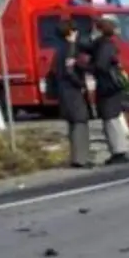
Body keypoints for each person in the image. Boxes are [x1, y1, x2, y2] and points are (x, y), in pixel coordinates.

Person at [86, 17, 129, 165]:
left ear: (100, 30)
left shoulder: (104, 46)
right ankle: (120, 149)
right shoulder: (106, 44)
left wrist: (86, 66)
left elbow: (100, 66)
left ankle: (119, 151)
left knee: (110, 119)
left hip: (108, 87)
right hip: (112, 86)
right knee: (113, 118)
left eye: (95, 29)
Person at [49, 19, 93, 168]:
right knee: (80, 122)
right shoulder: (70, 48)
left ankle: (77, 157)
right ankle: (81, 159)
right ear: (71, 33)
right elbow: (70, 70)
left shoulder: (58, 49)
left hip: (63, 90)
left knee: (73, 123)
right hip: (72, 90)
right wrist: (80, 84)